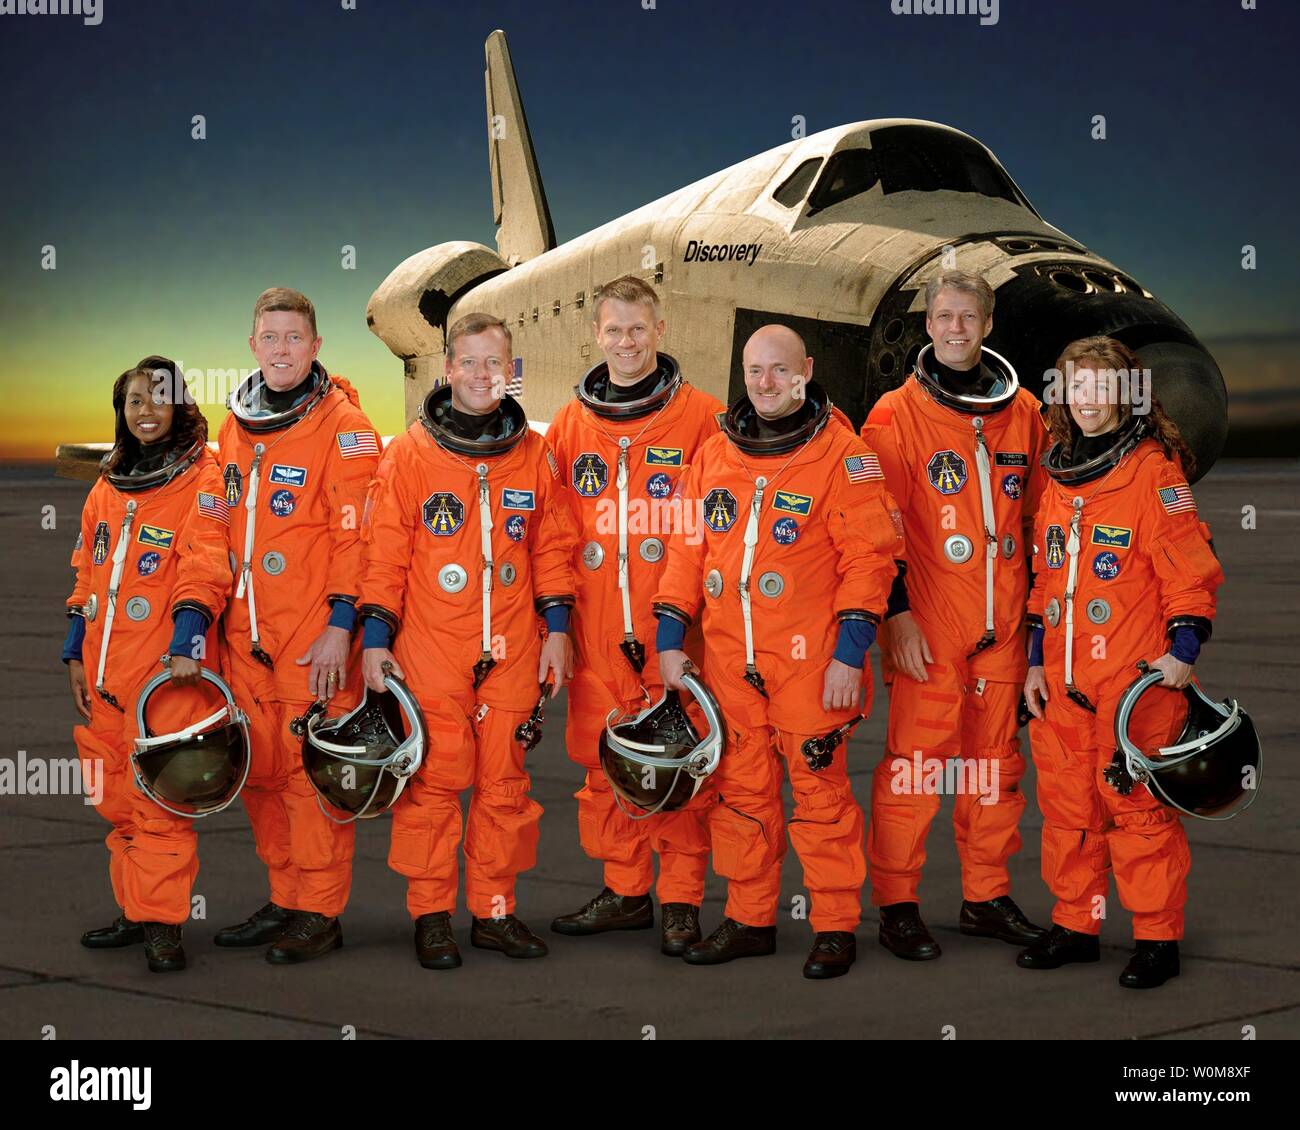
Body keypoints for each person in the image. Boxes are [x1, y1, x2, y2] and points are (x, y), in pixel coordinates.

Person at [654, 324, 901, 979]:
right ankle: (749, 920)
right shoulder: (713, 455)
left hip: (812, 665)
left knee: (819, 797)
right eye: (754, 370)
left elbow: (870, 562)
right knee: (741, 795)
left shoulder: (844, 457)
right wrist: (671, 642)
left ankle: (834, 929)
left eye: (778, 370)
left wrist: (851, 656)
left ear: (806, 370)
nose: (764, 383)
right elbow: (684, 551)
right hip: (731, 666)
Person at [359, 311, 577, 969]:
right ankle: (431, 917)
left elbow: (554, 548)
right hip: (430, 650)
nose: (484, 376)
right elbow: (385, 556)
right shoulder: (410, 455)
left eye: (496, 365)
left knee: (505, 788)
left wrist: (558, 632)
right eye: (471, 363)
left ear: (510, 374)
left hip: (511, 648)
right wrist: (375, 639)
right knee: (430, 786)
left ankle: (493, 913)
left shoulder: (534, 455)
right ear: (448, 368)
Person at [1021, 335, 1222, 988]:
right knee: (1069, 812)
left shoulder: (1154, 473)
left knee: (1136, 811)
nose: (1086, 401)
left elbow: (1189, 569)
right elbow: (1047, 578)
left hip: (1135, 681)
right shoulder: (1058, 476)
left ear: (1128, 394)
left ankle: (1157, 939)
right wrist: (1033, 663)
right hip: (1063, 678)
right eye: (1075, 387)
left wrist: (1183, 652)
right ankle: (1076, 926)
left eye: (1101, 387)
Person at [860, 270, 1048, 960]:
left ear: (987, 325)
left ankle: (985, 897)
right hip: (931, 629)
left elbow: (1037, 516)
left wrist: (1035, 627)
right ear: (928, 324)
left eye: (968, 317)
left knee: (994, 769)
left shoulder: (1023, 411)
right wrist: (897, 618)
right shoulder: (894, 416)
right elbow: (879, 529)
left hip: (1002, 631)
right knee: (915, 767)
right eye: (944, 316)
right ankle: (899, 904)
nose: (955, 329)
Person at [545, 276, 723, 956]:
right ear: (597, 335)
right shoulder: (569, 424)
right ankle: (623, 892)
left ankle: (680, 903)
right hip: (595, 635)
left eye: (638, 329)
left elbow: (718, 525)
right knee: (603, 768)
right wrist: (555, 630)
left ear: (660, 331)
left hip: (670, 633)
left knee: (680, 764)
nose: (626, 342)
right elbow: (552, 534)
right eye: (614, 330)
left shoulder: (702, 416)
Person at [215, 287, 381, 963]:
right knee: (259, 773)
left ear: (315, 347)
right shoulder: (233, 424)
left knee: (309, 780)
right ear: (252, 345)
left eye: (294, 338)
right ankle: (284, 896)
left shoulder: (345, 427)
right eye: (270, 337)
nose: (282, 350)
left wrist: (342, 625)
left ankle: (320, 911)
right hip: (244, 638)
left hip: (313, 639)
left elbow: (359, 541)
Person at [65, 356, 231, 972]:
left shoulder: (205, 478)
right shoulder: (107, 488)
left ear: (181, 405)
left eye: (158, 399)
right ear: (122, 412)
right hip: (105, 673)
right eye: (134, 401)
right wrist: (72, 652)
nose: (145, 412)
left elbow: (207, 562)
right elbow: (86, 573)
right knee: (117, 803)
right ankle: (137, 911)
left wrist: (188, 637)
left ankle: (164, 925)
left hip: (167, 675)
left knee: (161, 804)